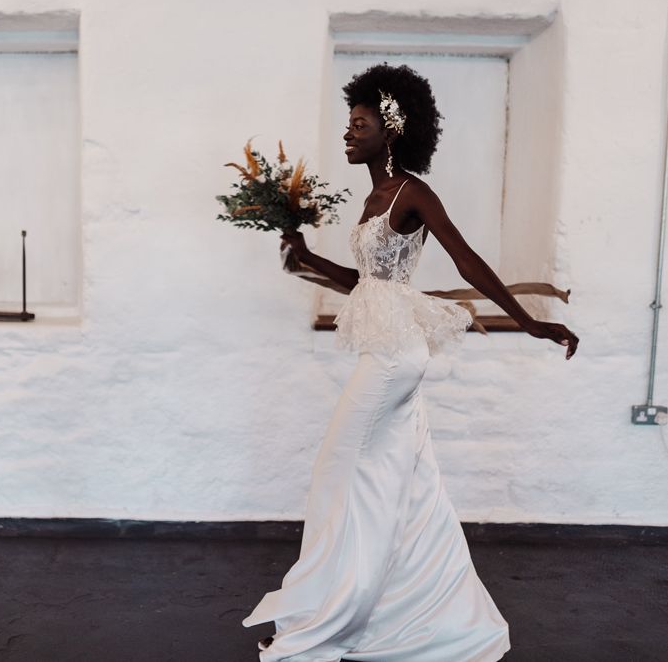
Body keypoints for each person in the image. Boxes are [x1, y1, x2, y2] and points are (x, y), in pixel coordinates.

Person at [242, 63, 579, 662]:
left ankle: (331, 623)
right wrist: (307, 259)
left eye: (359, 123)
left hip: (397, 358)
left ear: (391, 127)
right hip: (387, 346)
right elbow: (371, 285)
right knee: (404, 487)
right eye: (348, 123)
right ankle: (425, 614)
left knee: (341, 479)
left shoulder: (412, 192)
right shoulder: (374, 197)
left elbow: (468, 261)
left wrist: (528, 322)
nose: (348, 133)